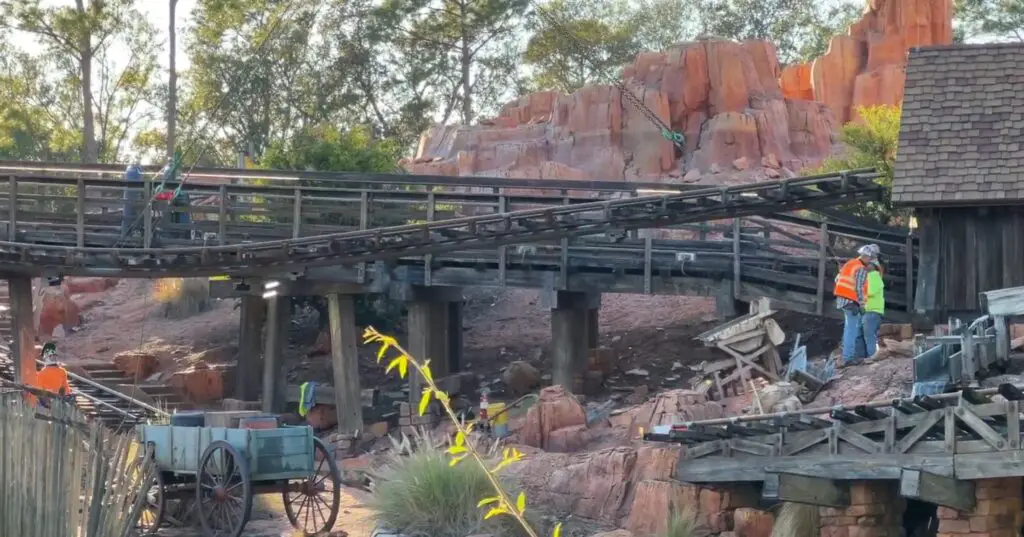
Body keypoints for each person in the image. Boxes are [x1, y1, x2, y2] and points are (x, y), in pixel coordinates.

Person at [834, 244, 879, 366]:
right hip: (851, 302)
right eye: (870, 258)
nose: (870, 261)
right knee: (851, 330)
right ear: (866, 257)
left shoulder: (850, 264)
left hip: (843, 300)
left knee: (848, 328)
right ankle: (848, 358)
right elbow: (858, 288)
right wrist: (862, 304)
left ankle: (847, 355)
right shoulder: (861, 268)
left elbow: (837, 279)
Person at [862, 261, 885, 360]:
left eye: (868, 264)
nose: (865, 266)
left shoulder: (873, 276)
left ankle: (873, 357)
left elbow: (870, 291)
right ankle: (870, 356)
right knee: (869, 335)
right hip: (872, 311)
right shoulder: (873, 276)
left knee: (870, 335)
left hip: (872, 311)